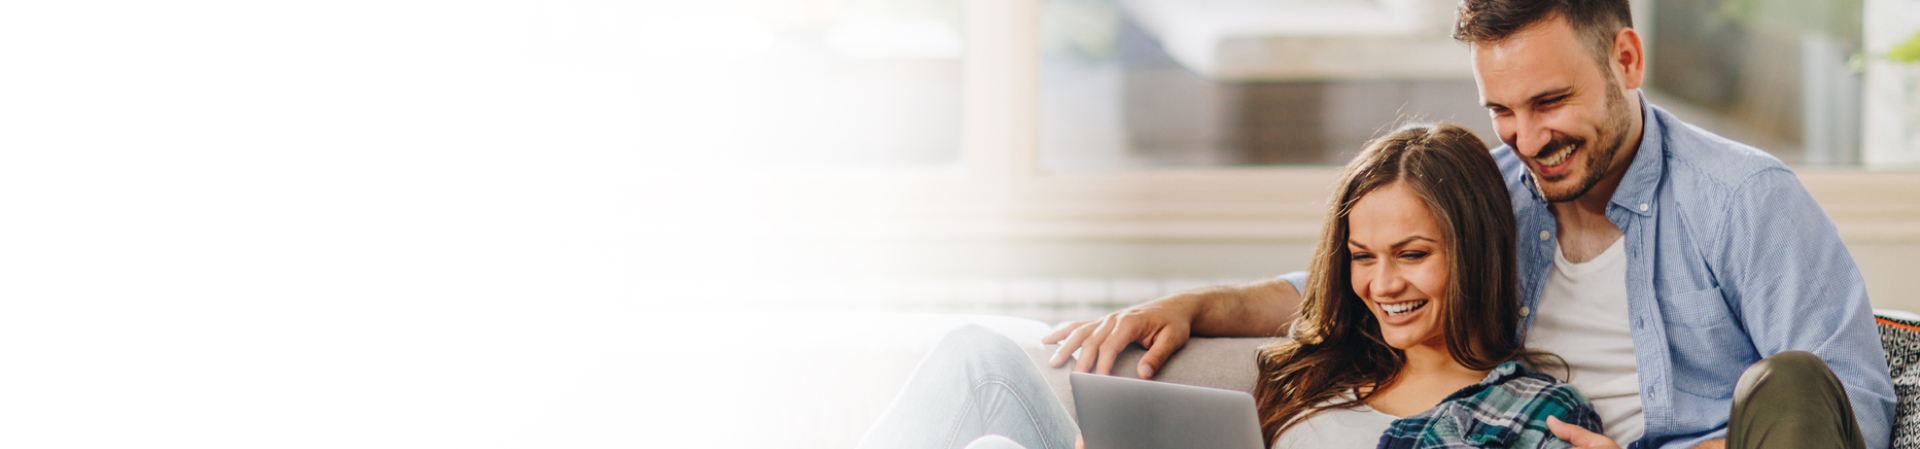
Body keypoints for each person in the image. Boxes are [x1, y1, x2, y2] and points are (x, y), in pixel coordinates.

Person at [1044, 1, 1897, 449]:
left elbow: (1848, 408)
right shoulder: (1497, 189)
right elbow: (1350, 285)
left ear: (1626, 61)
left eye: (1552, 101)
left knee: (1785, 378)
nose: (1528, 139)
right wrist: (1196, 304)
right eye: (1503, 111)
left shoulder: (1745, 199)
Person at [856, 124, 1604, 449]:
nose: (1383, 283)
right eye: (1362, 255)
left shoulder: (1535, 411)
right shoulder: (1326, 364)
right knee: (977, 367)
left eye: (1411, 254)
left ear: (1472, 250)